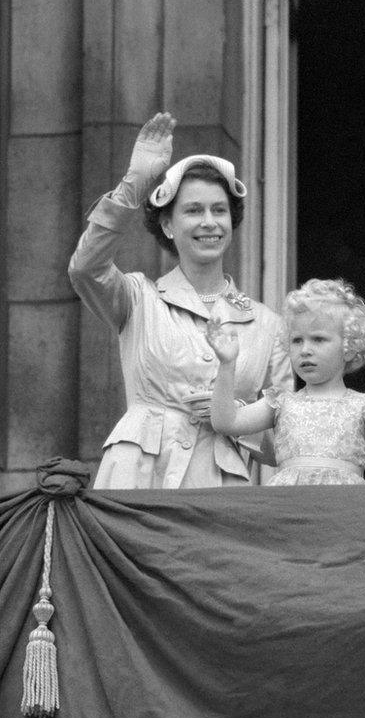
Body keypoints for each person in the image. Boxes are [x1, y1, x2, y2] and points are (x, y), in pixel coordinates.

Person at [68, 113, 292, 488]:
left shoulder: (267, 323)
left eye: (219, 210)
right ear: (169, 226)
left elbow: (290, 439)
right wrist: (133, 186)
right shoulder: (138, 298)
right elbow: (85, 269)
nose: (209, 222)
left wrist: (236, 418)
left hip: (218, 492)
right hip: (138, 480)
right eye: (193, 210)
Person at [204, 278, 365, 485]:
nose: (305, 350)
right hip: (288, 511)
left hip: (344, 512)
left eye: (318, 339)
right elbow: (225, 422)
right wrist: (227, 364)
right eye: (297, 340)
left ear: (349, 346)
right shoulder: (281, 403)